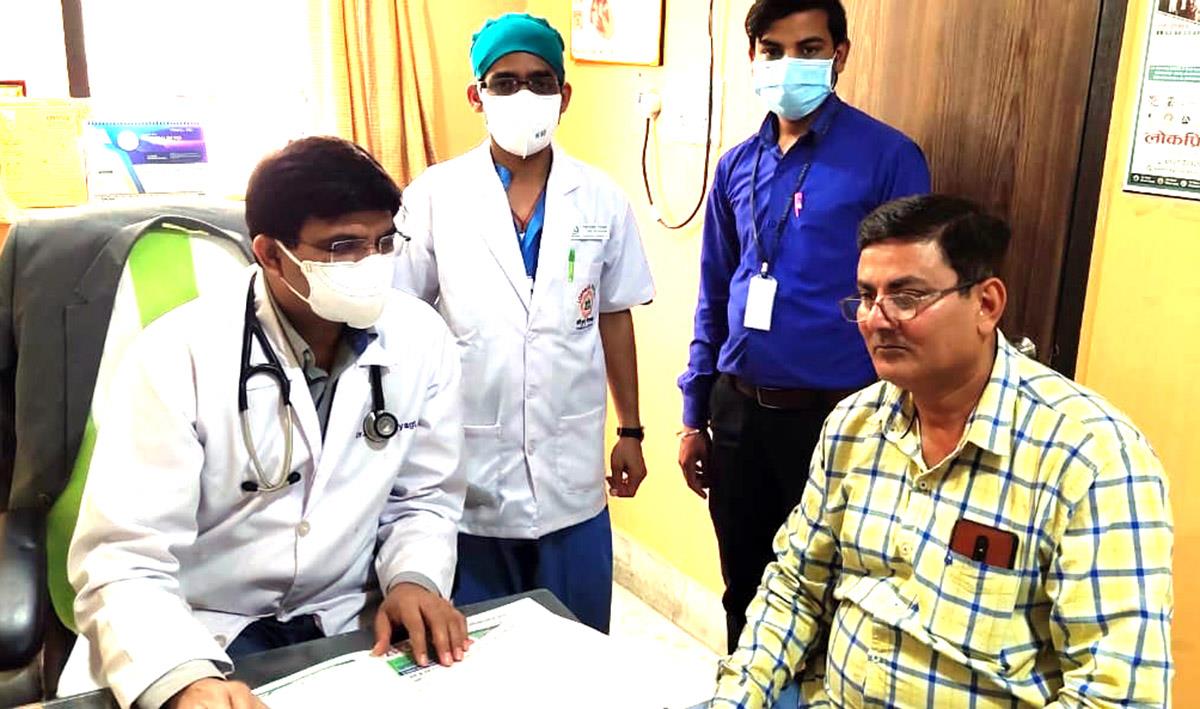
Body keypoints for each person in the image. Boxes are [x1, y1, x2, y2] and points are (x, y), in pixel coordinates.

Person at [711, 194, 1174, 708]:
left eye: (906, 296)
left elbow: (1117, 695)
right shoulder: (853, 424)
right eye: (866, 296)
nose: (877, 319)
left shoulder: (1092, 457)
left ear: (987, 304)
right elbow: (796, 587)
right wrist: (736, 699)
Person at [65, 137, 470, 709]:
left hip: (344, 625)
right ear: (271, 255)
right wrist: (182, 679)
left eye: (384, 242)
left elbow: (424, 500)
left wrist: (413, 578)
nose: (372, 263)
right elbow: (124, 554)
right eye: (344, 246)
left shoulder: (421, 337)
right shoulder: (178, 353)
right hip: (200, 627)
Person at [677, 0, 931, 651]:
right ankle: (747, 689)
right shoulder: (736, 165)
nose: (790, 63)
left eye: (810, 48)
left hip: (837, 420)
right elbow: (714, 292)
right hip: (737, 414)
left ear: (839, 55)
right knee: (745, 587)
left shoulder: (887, 158)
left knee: (837, 597)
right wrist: (693, 414)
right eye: (773, 49)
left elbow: (912, 300)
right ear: (753, 55)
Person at [394, 13, 654, 634]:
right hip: (468, 473)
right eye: (504, 82)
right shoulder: (434, 195)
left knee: (578, 644)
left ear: (564, 96)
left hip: (571, 475)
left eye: (540, 81)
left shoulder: (600, 197)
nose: (524, 94)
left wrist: (631, 429)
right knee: (476, 653)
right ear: (476, 95)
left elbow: (614, 316)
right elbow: (401, 323)